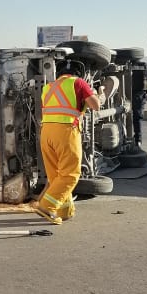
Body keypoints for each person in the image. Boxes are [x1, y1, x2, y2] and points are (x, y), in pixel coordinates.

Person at [33, 60, 103, 225]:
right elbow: (96, 106)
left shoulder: (48, 88)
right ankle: (47, 206)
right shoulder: (78, 82)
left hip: (46, 133)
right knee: (70, 175)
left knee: (56, 175)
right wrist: (96, 94)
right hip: (65, 133)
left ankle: (64, 210)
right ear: (79, 73)